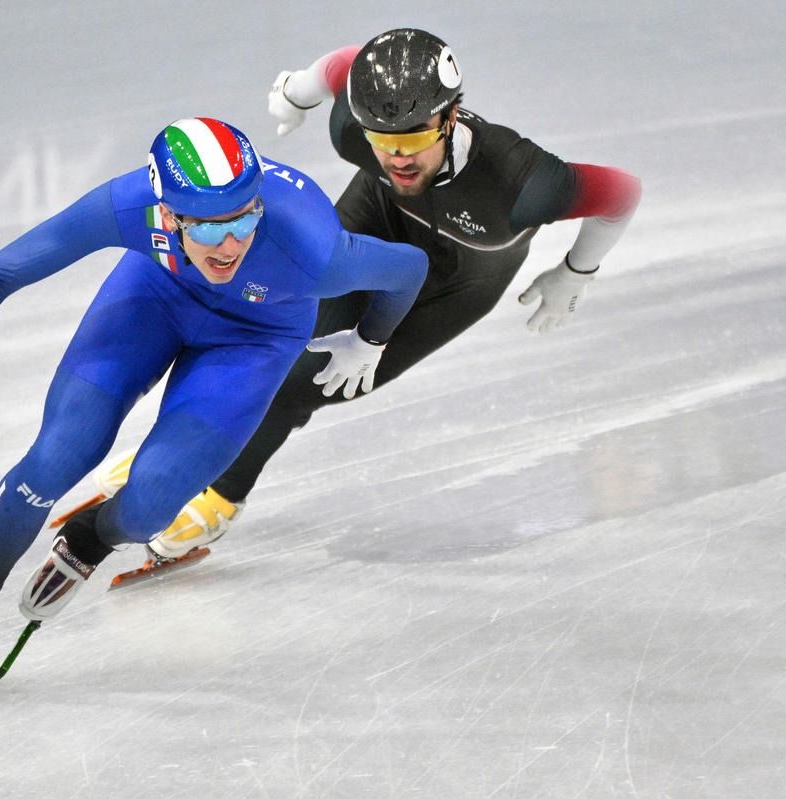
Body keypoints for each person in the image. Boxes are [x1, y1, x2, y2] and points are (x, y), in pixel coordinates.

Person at [0, 117, 427, 673]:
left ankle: (91, 538)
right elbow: (6, 271)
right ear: (166, 215)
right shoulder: (129, 204)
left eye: (243, 220)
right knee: (57, 455)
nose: (229, 245)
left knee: (149, 508)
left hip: (256, 337)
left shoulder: (312, 248)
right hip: (155, 295)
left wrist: (370, 341)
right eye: (207, 230)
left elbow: (409, 268)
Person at [106, 28, 642, 565]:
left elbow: (620, 193)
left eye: (412, 142)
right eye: (383, 142)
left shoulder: (523, 182)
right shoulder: (352, 132)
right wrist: (296, 91)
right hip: (377, 219)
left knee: (309, 380)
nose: (397, 159)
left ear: (451, 116)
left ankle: (222, 496)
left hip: (457, 280)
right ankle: (188, 448)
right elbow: (343, 64)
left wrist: (577, 272)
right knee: (261, 327)